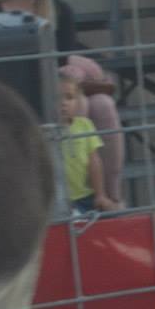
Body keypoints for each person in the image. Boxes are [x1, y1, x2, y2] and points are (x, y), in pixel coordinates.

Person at [0, 0, 125, 205]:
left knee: (101, 105)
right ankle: (70, 201)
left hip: (51, 92)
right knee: (78, 110)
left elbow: (61, 65)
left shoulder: (60, 10)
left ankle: (109, 195)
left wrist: (75, 69)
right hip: (12, 98)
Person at [57, 75, 118, 215]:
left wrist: (100, 195)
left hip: (85, 196)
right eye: (57, 98)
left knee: (111, 216)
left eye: (69, 97)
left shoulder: (85, 125)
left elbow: (94, 162)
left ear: (77, 101)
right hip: (59, 201)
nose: (63, 103)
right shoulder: (46, 131)